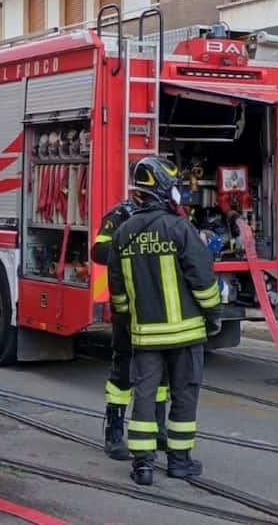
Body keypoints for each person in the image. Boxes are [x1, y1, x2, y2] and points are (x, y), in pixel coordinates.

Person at [107, 157, 220, 486]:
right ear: (162, 191)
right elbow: (202, 279)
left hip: (144, 337)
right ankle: (179, 462)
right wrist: (213, 316)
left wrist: (127, 326)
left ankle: (142, 465)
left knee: (144, 395)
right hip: (186, 336)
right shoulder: (179, 228)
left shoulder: (123, 234)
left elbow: (118, 294)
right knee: (184, 394)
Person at [92, 193, 169, 462]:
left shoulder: (170, 215)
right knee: (123, 370)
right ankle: (114, 432)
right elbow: (99, 250)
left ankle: (159, 429)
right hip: (128, 307)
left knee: (162, 373)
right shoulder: (121, 214)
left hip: (158, 309)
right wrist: (129, 242)